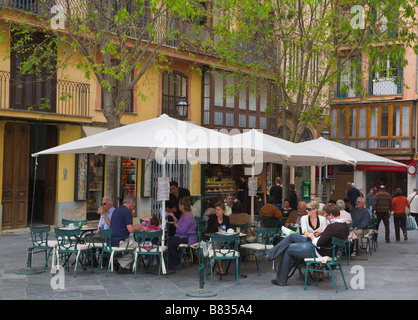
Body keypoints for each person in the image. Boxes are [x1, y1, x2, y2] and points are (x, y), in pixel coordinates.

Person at [256, 202, 349, 286]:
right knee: (292, 236)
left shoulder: (333, 226)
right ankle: (270, 254)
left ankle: (280, 280)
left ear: (331, 215)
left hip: (318, 251)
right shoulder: (344, 226)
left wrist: (312, 236)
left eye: (326, 216)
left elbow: (318, 243)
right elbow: (331, 236)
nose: (326, 218)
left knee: (288, 249)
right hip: (327, 250)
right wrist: (322, 233)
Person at [109, 194, 141, 274]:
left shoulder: (116, 210)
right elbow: (130, 229)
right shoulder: (127, 211)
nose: (134, 205)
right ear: (131, 201)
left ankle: (122, 264)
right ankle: (122, 264)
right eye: (134, 203)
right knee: (140, 247)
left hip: (111, 239)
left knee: (131, 246)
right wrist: (142, 228)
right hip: (121, 240)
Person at [166, 196, 197, 272]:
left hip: (187, 238)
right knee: (169, 242)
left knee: (169, 244)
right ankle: (175, 262)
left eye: (179, 205)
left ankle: (180, 257)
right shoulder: (183, 215)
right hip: (182, 236)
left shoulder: (188, 217)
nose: (178, 206)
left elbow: (182, 230)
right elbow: (180, 224)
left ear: (183, 206)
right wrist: (173, 217)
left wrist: (175, 225)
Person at [203, 201, 230, 275]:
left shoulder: (226, 218)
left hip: (222, 239)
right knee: (219, 244)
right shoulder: (212, 218)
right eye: (216, 210)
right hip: (211, 238)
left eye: (219, 210)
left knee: (220, 243)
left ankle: (214, 262)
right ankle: (219, 267)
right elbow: (209, 230)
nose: (217, 211)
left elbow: (228, 230)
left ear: (223, 211)